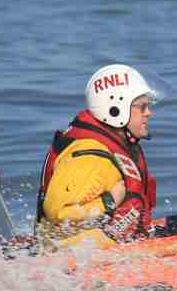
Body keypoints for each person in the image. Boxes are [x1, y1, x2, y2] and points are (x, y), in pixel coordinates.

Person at [35, 62, 167, 246]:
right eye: (142, 107)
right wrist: (109, 201)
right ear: (116, 108)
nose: (149, 113)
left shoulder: (118, 144)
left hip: (119, 246)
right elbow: (57, 212)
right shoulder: (90, 157)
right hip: (75, 260)